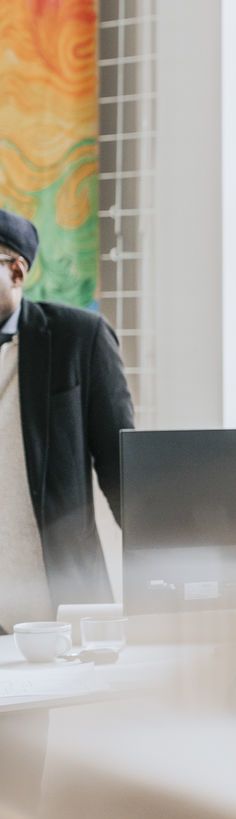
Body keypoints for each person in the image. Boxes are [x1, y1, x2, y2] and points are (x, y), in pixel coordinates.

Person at [0, 208, 133, 627]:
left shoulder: (79, 338)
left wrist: (171, 572)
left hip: (61, 602)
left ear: (17, 271)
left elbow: (121, 468)